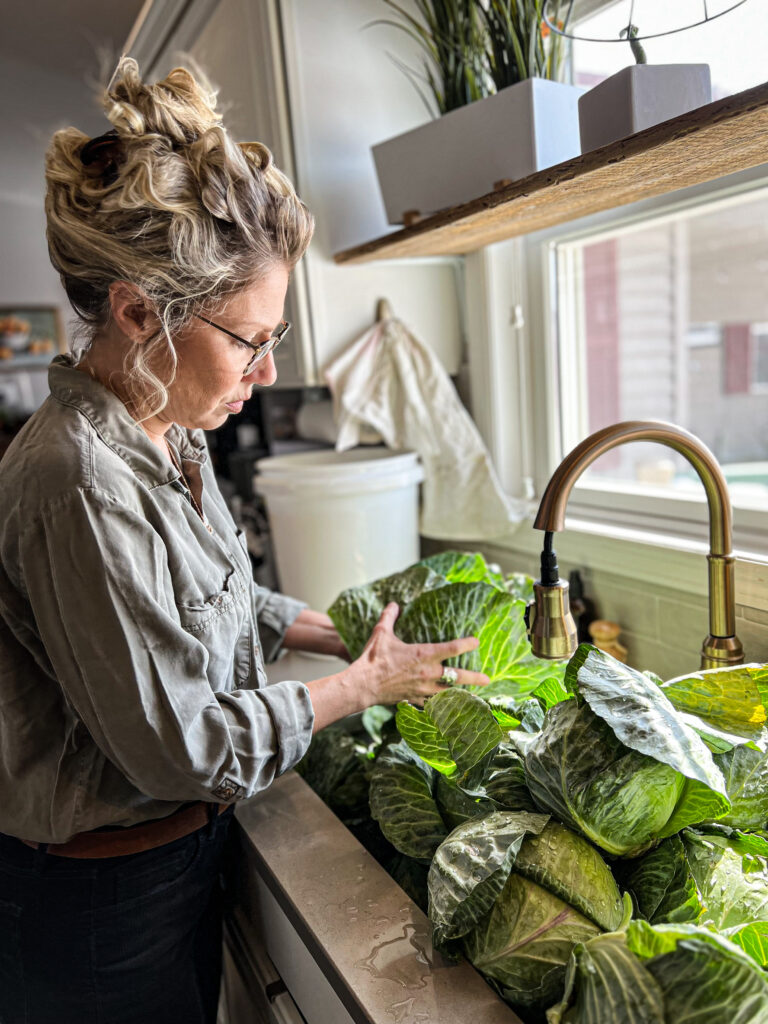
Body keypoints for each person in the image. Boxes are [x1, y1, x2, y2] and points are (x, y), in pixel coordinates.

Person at [0, 57, 488, 1024]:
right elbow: (179, 749)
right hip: (102, 903)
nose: (268, 371)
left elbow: (203, 597)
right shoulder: (79, 479)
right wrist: (361, 688)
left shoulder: (163, 424)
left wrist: (331, 633)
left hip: (171, 858)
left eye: (278, 334)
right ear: (142, 312)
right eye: (250, 339)